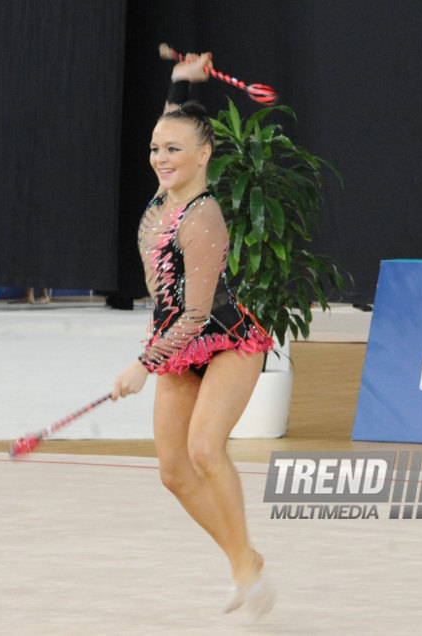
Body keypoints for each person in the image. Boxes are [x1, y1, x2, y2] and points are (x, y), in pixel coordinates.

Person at [111, 51, 276, 619]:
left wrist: (143, 364)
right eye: (156, 148)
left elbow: (198, 315)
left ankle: (244, 571)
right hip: (179, 346)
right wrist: (185, 77)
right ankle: (246, 561)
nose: (160, 157)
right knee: (173, 471)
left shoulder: (202, 217)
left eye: (173, 150)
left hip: (224, 338)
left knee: (205, 448)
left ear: (204, 156)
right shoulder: (164, 195)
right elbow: (174, 119)